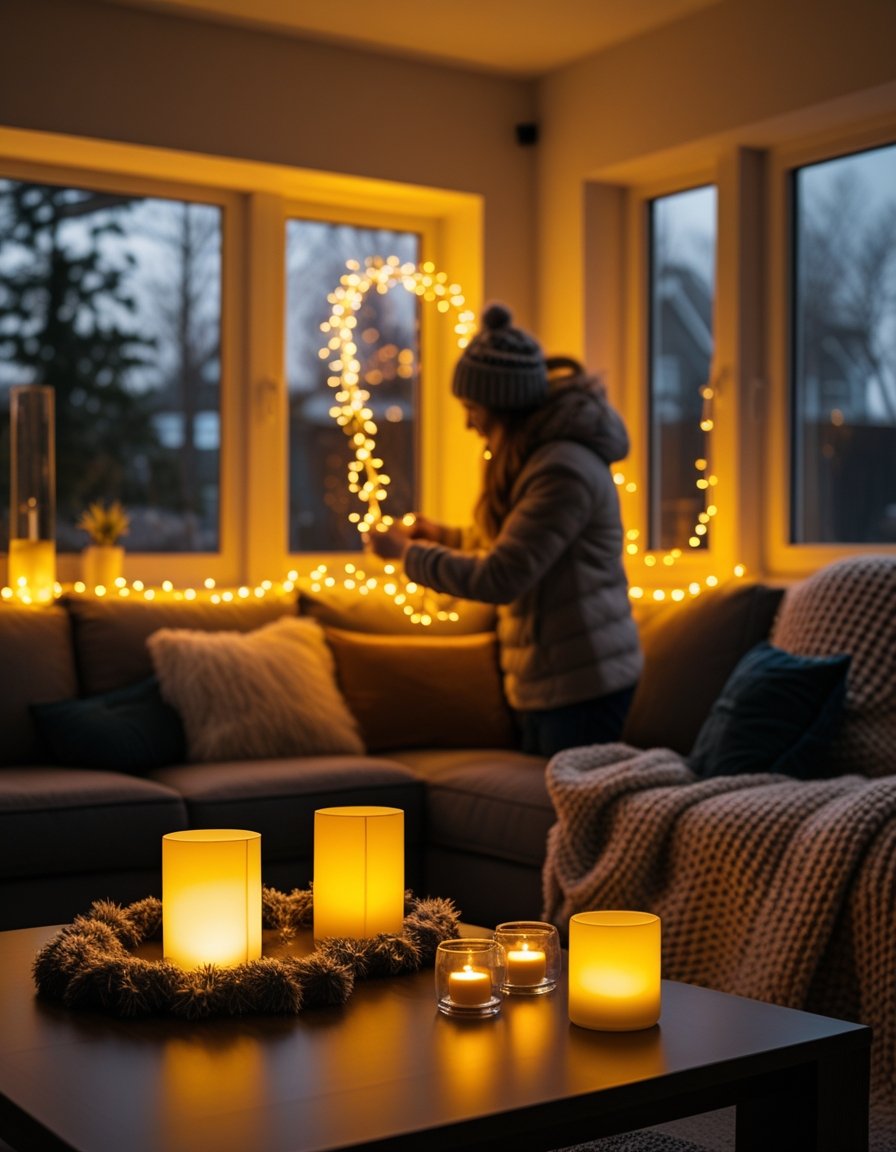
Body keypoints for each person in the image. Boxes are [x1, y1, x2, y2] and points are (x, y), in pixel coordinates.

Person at [367, 302, 643, 757]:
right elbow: (510, 545)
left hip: (583, 682)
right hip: (548, 680)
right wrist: (443, 537)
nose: (467, 423)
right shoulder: (528, 459)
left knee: (567, 819)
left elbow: (502, 576)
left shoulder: (562, 470)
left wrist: (405, 555)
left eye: (472, 408)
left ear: (502, 406)